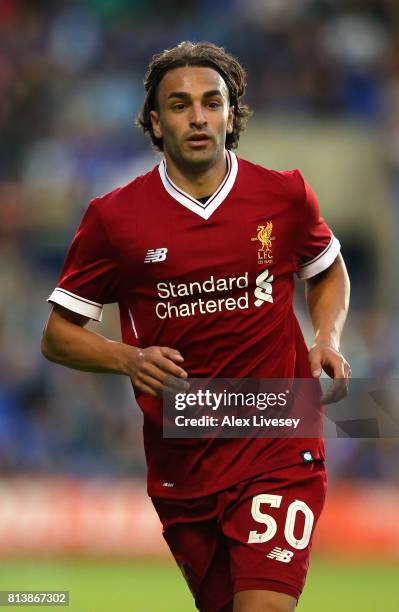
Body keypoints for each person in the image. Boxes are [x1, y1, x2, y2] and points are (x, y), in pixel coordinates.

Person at [41, 41, 351, 612]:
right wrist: (127, 359)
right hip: (184, 455)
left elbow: (328, 270)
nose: (199, 116)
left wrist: (325, 338)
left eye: (212, 102)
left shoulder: (283, 195)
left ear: (232, 115)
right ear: (156, 124)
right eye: (180, 105)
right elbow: (57, 335)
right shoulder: (115, 218)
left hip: (278, 435)